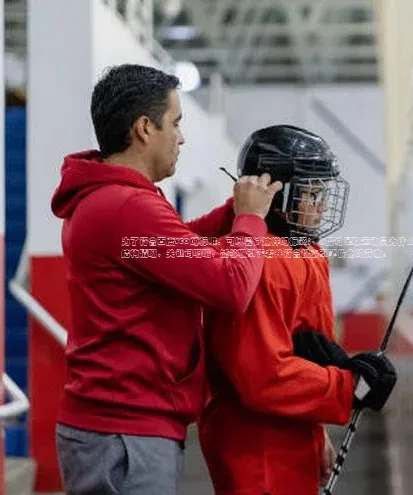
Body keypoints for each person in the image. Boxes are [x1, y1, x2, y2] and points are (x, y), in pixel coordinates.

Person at [49, 63, 282, 494]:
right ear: (144, 128)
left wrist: (231, 213)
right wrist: (249, 220)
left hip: (116, 430)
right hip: (125, 435)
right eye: (175, 122)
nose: (182, 136)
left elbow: (171, 247)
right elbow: (231, 288)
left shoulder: (109, 200)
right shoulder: (127, 207)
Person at [197, 124, 398, 495]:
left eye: (324, 192)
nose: (322, 205)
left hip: (293, 437)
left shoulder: (308, 253)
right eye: (312, 193)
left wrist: (317, 427)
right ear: (276, 195)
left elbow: (306, 351)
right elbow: (262, 377)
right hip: (257, 449)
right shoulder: (258, 259)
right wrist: (346, 387)